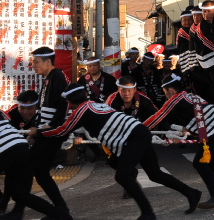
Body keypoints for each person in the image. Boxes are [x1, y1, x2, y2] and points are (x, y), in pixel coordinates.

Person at [30, 83, 202, 220]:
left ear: (70, 100)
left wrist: (38, 131)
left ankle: (148, 213)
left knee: (122, 176)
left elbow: (62, 131)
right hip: (139, 131)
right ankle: (191, 193)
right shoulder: (94, 105)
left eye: (68, 102)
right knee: (154, 173)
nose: (68, 105)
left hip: (133, 137)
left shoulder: (81, 111)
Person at [144, 76, 214, 209]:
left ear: (171, 90)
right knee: (211, 160)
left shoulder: (176, 100)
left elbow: (158, 117)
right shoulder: (188, 95)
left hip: (213, 131)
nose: (166, 95)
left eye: (165, 92)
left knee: (200, 163)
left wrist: (137, 129)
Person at [0, 110, 71, 220]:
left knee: (19, 191)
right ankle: (60, 215)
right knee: (19, 193)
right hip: (19, 144)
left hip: (4, 147)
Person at [29, 46, 70, 214]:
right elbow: (42, 109)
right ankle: (61, 210)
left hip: (51, 134)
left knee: (28, 168)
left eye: (36, 62)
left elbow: (64, 105)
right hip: (44, 133)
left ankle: (13, 207)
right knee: (40, 173)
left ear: (48, 62)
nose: (33, 65)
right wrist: (37, 130)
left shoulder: (58, 77)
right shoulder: (49, 78)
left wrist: (51, 126)